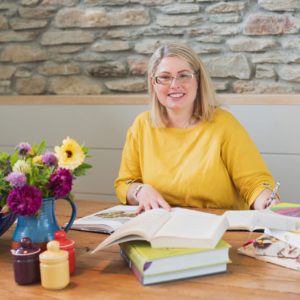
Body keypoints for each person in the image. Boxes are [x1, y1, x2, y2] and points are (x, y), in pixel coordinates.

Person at [114, 43, 280, 214]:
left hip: (219, 228)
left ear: (198, 79)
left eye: (184, 75)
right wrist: (140, 191)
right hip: (161, 226)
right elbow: (124, 184)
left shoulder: (224, 124)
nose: (174, 85)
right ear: (153, 83)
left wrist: (267, 200)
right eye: (164, 77)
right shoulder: (141, 125)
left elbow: (254, 182)